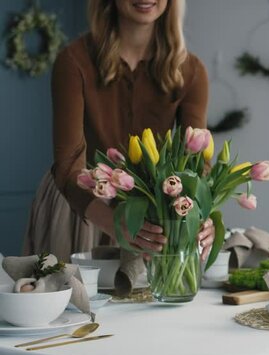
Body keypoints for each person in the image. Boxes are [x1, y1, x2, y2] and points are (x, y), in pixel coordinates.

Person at [23, 0, 214, 262]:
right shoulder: (73, 61)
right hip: (81, 208)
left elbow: (195, 166)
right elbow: (68, 165)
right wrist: (114, 223)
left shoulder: (191, 72)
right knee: (73, 298)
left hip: (155, 215)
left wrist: (202, 215)